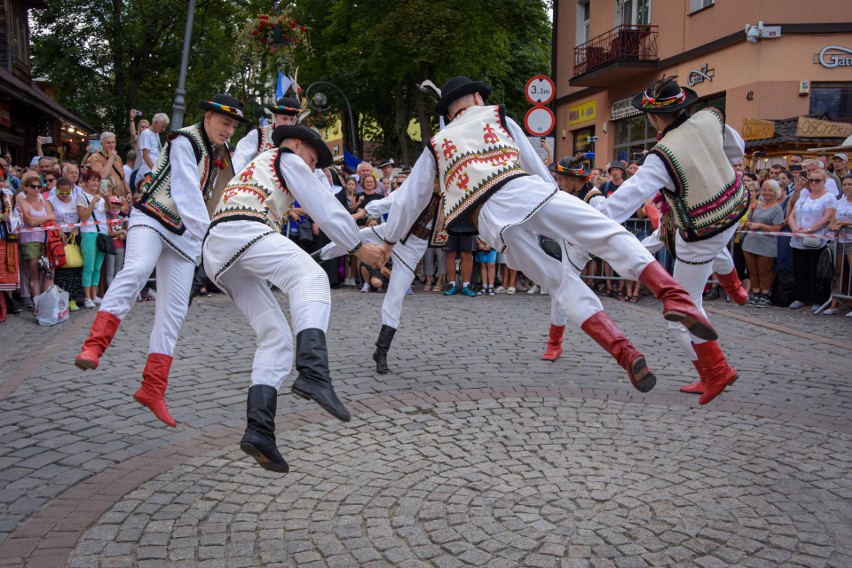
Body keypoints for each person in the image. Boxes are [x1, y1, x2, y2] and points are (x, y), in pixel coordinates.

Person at [380, 76, 720, 401]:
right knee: (603, 232)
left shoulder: (436, 145)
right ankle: (672, 295)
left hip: (487, 221)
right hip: (523, 191)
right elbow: (536, 167)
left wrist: (390, 238)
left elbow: (412, 199)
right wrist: (554, 204)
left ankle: (623, 350)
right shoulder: (498, 117)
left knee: (558, 282)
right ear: (476, 98)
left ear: (449, 112)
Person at [203, 125, 384, 472]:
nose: (313, 168)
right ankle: (314, 373)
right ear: (298, 145)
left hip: (220, 249)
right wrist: (359, 248)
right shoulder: (286, 156)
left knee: (275, 337)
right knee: (311, 277)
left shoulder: (258, 164)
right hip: (245, 229)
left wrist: (353, 244)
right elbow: (324, 208)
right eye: (313, 159)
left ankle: (259, 431)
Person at [74, 94, 246, 428]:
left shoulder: (219, 153)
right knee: (137, 269)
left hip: (184, 235)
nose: (229, 131)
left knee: (175, 310)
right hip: (152, 218)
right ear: (209, 118)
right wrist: (211, 234)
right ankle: (94, 346)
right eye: (225, 123)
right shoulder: (185, 140)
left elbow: (223, 196)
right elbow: (184, 190)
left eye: (234, 126)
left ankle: (153, 388)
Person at [596, 76, 746, 401]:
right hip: (735, 205)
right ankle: (735, 287)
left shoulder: (662, 156)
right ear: (683, 105)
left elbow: (625, 199)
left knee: (681, 310)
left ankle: (715, 370)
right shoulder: (709, 119)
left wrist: (582, 225)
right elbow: (737, 149)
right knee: (716, 251)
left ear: (651, 117)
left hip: (703, 226)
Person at [317, 176, 444, 375]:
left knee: (395, 298)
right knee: (353, 238)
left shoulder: (452, 199)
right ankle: (316, 258)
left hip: (414, 249)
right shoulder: (414, 189)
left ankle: (381, 351)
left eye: (438, 179)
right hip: (391, 232)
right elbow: (387, 202)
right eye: (434, 178)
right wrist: (359, 215)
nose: (435, 182)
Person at [787, 169, 836, 311]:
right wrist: (795, 228)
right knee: (800, 269)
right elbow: (792, 214)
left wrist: (811, 230)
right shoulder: (804, 196)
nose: (813, 183)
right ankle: (800, 296)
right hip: (799, 239)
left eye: (817, 180)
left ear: (824, 182)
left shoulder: (829, 197)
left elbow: (827, 217)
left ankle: (817, 299)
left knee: (816, 271)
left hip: (817, 240)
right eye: (811, 180)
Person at [742, 180, 785, 307]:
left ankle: (765, 295)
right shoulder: (757, 206)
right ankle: (755, 293)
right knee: (752, 270)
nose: (767, 193)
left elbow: (777, 228)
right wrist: (749, 223)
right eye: (765, 190)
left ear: (775, 192)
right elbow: (749, 219)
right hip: (750, 243)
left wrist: (760, 225)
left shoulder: (777, 209)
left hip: (766, 244)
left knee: (764, 271)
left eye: (770, 190)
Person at [232, 96, 301, 173]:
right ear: (275, 116)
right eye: (284, 118)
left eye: (292, 119)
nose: (288, 123)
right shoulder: (258, 135)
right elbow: (240, 159)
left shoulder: (299, 141)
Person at [16, 171, 55, 302]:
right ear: (26, 188)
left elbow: (52, 216)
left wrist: (42, 219)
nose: (37, 189)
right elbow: (30, 222)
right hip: (29, 240)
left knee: (46, 271)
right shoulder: (22, 202)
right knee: (34, 273)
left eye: (39, 186)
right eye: (33, 186)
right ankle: (37, 302)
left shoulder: (43, 200)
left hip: (45, 239)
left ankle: (46, 302)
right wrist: (46, 218)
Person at [48, 177, 84, 311]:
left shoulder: (76, 200)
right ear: (56, 190)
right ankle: (63, 299)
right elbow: (49, 216)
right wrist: (57, 229)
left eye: (67, 193)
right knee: (63, 268)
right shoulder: (51, 200)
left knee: (75, 266)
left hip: (73, 236)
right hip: (60, 237)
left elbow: (80, 216)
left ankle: (74, 299)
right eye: (61, 193)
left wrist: (77, 227)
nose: (64, 196)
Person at [76, 170, 109, 308]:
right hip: (88, 233)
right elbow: (83, 216)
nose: (95, 183)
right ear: (85, 182)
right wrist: (92, 202)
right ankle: (87, 296)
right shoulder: (82, 196)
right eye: (93, 180)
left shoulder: (101, 197)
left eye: (98, 180)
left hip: (102, 232)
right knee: (88, 266)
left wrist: (106, 198)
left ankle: (94, 295)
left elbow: (110, 211)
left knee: (97, 266)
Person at [825, 175, 852, 315]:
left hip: (851, 241)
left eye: (850, 184)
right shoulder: (838, 202)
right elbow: (831, 221)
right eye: (845, 184)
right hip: (840, 241)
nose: (847, 187)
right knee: (838, 273)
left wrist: (846, 224)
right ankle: (835, 304)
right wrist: (833, 226)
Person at [137, 113, 170, 179]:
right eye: (162, 126)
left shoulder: (156, 134)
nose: (164, 129)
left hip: (156, 169)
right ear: (155, 122)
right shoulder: (146, 133)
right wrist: (155, 170)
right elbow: (145, 155)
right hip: (150, 171)